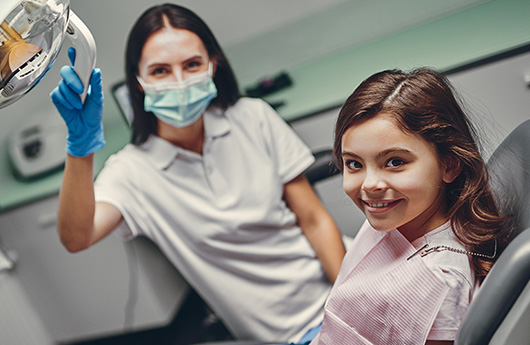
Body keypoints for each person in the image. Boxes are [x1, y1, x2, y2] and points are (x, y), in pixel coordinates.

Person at [50, 3, 347, 343]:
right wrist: (81, 148)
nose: (179, 82)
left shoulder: (252, 117)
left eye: (191, 65)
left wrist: (350, 306)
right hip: (292, 332)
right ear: (139, 81)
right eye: (160, 70)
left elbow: (313, 219)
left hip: (343, 286)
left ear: (212, 65)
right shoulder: (132, 172)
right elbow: (76, 237)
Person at [309, 68, 513, 345]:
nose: (370, 184)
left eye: (395, 162)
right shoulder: (397, 214)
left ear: (450, 164)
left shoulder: (438, 283)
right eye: (354, 164)